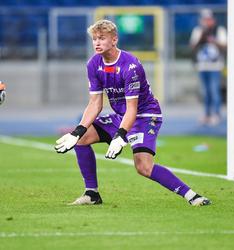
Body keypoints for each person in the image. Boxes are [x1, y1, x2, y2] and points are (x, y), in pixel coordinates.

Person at [55, 19, 211, 207]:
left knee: (143, 167)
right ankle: (92, 194)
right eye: (94, 38)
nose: (96, 42)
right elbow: (95, 103)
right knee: (82, 139)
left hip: (145, 116)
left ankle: (192, 196)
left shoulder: (131, 66)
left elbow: (133, 109)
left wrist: (120, 135)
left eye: (102, 38)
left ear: (114, 40)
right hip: (123, 116)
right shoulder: (93, 64)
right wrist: (77, 131)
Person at [189, 9, 227, 125]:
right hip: (202, 66)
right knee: (205, 92)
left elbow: (225, 46)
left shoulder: (219, 30)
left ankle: (216, 114)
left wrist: (213, 40)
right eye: (205, 20)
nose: (207, 22)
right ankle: (206, 114)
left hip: (215, 66)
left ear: (213, 20)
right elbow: (192, 46)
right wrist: (202, 36)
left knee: (214, 91)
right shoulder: (198, 30)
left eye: (209, 19)